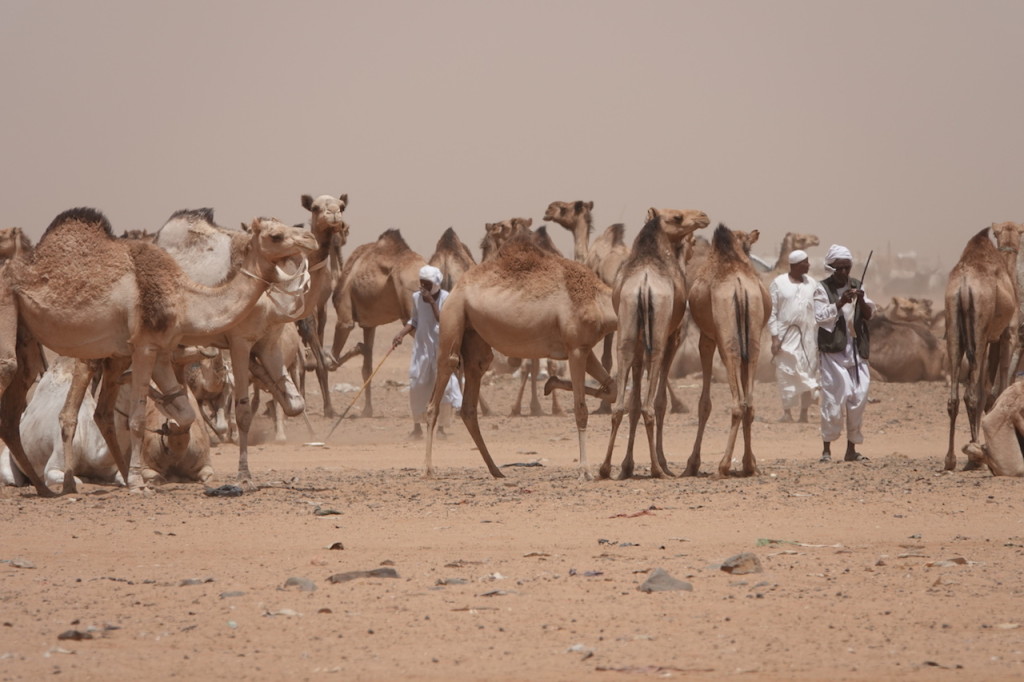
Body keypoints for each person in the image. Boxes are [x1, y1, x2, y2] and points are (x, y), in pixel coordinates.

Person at [813, 244, 875, 463]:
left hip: (856, 350)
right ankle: (827, 449)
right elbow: (820, 317)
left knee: (858, 397)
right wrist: (840, 302)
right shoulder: (822, 289)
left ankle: (851, 450)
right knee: (834, 398)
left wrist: (861, 299)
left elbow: (868, 314)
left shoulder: (858, 285)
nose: (843, 273)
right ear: (830, 268)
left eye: (846, 268)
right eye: (838, 268)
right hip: (833, 352)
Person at [391, 265, 463, 439]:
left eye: (427, 283)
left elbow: (443, 319)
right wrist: (401, 333)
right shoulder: (416, 298)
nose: (423, 286)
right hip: (422, 347)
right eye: (422, 283)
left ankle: (441, 429)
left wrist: (431, 302)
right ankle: (417, 427)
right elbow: (414, 320)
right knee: (417, 385)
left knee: (442, 387)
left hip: (440, 348)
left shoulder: (446, 298)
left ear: (435, 283)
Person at [768, 249, 819, 423]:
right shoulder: (778, 283)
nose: (809, 265)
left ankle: (804, 413)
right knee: (785, 373)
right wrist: (774, 338)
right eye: (806, 262)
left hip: (808, 338)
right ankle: (787, 413)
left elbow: (820, 307)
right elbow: (772, 312)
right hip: (785, 337)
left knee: (808, 371)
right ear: (796, 265)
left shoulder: (812, 283)